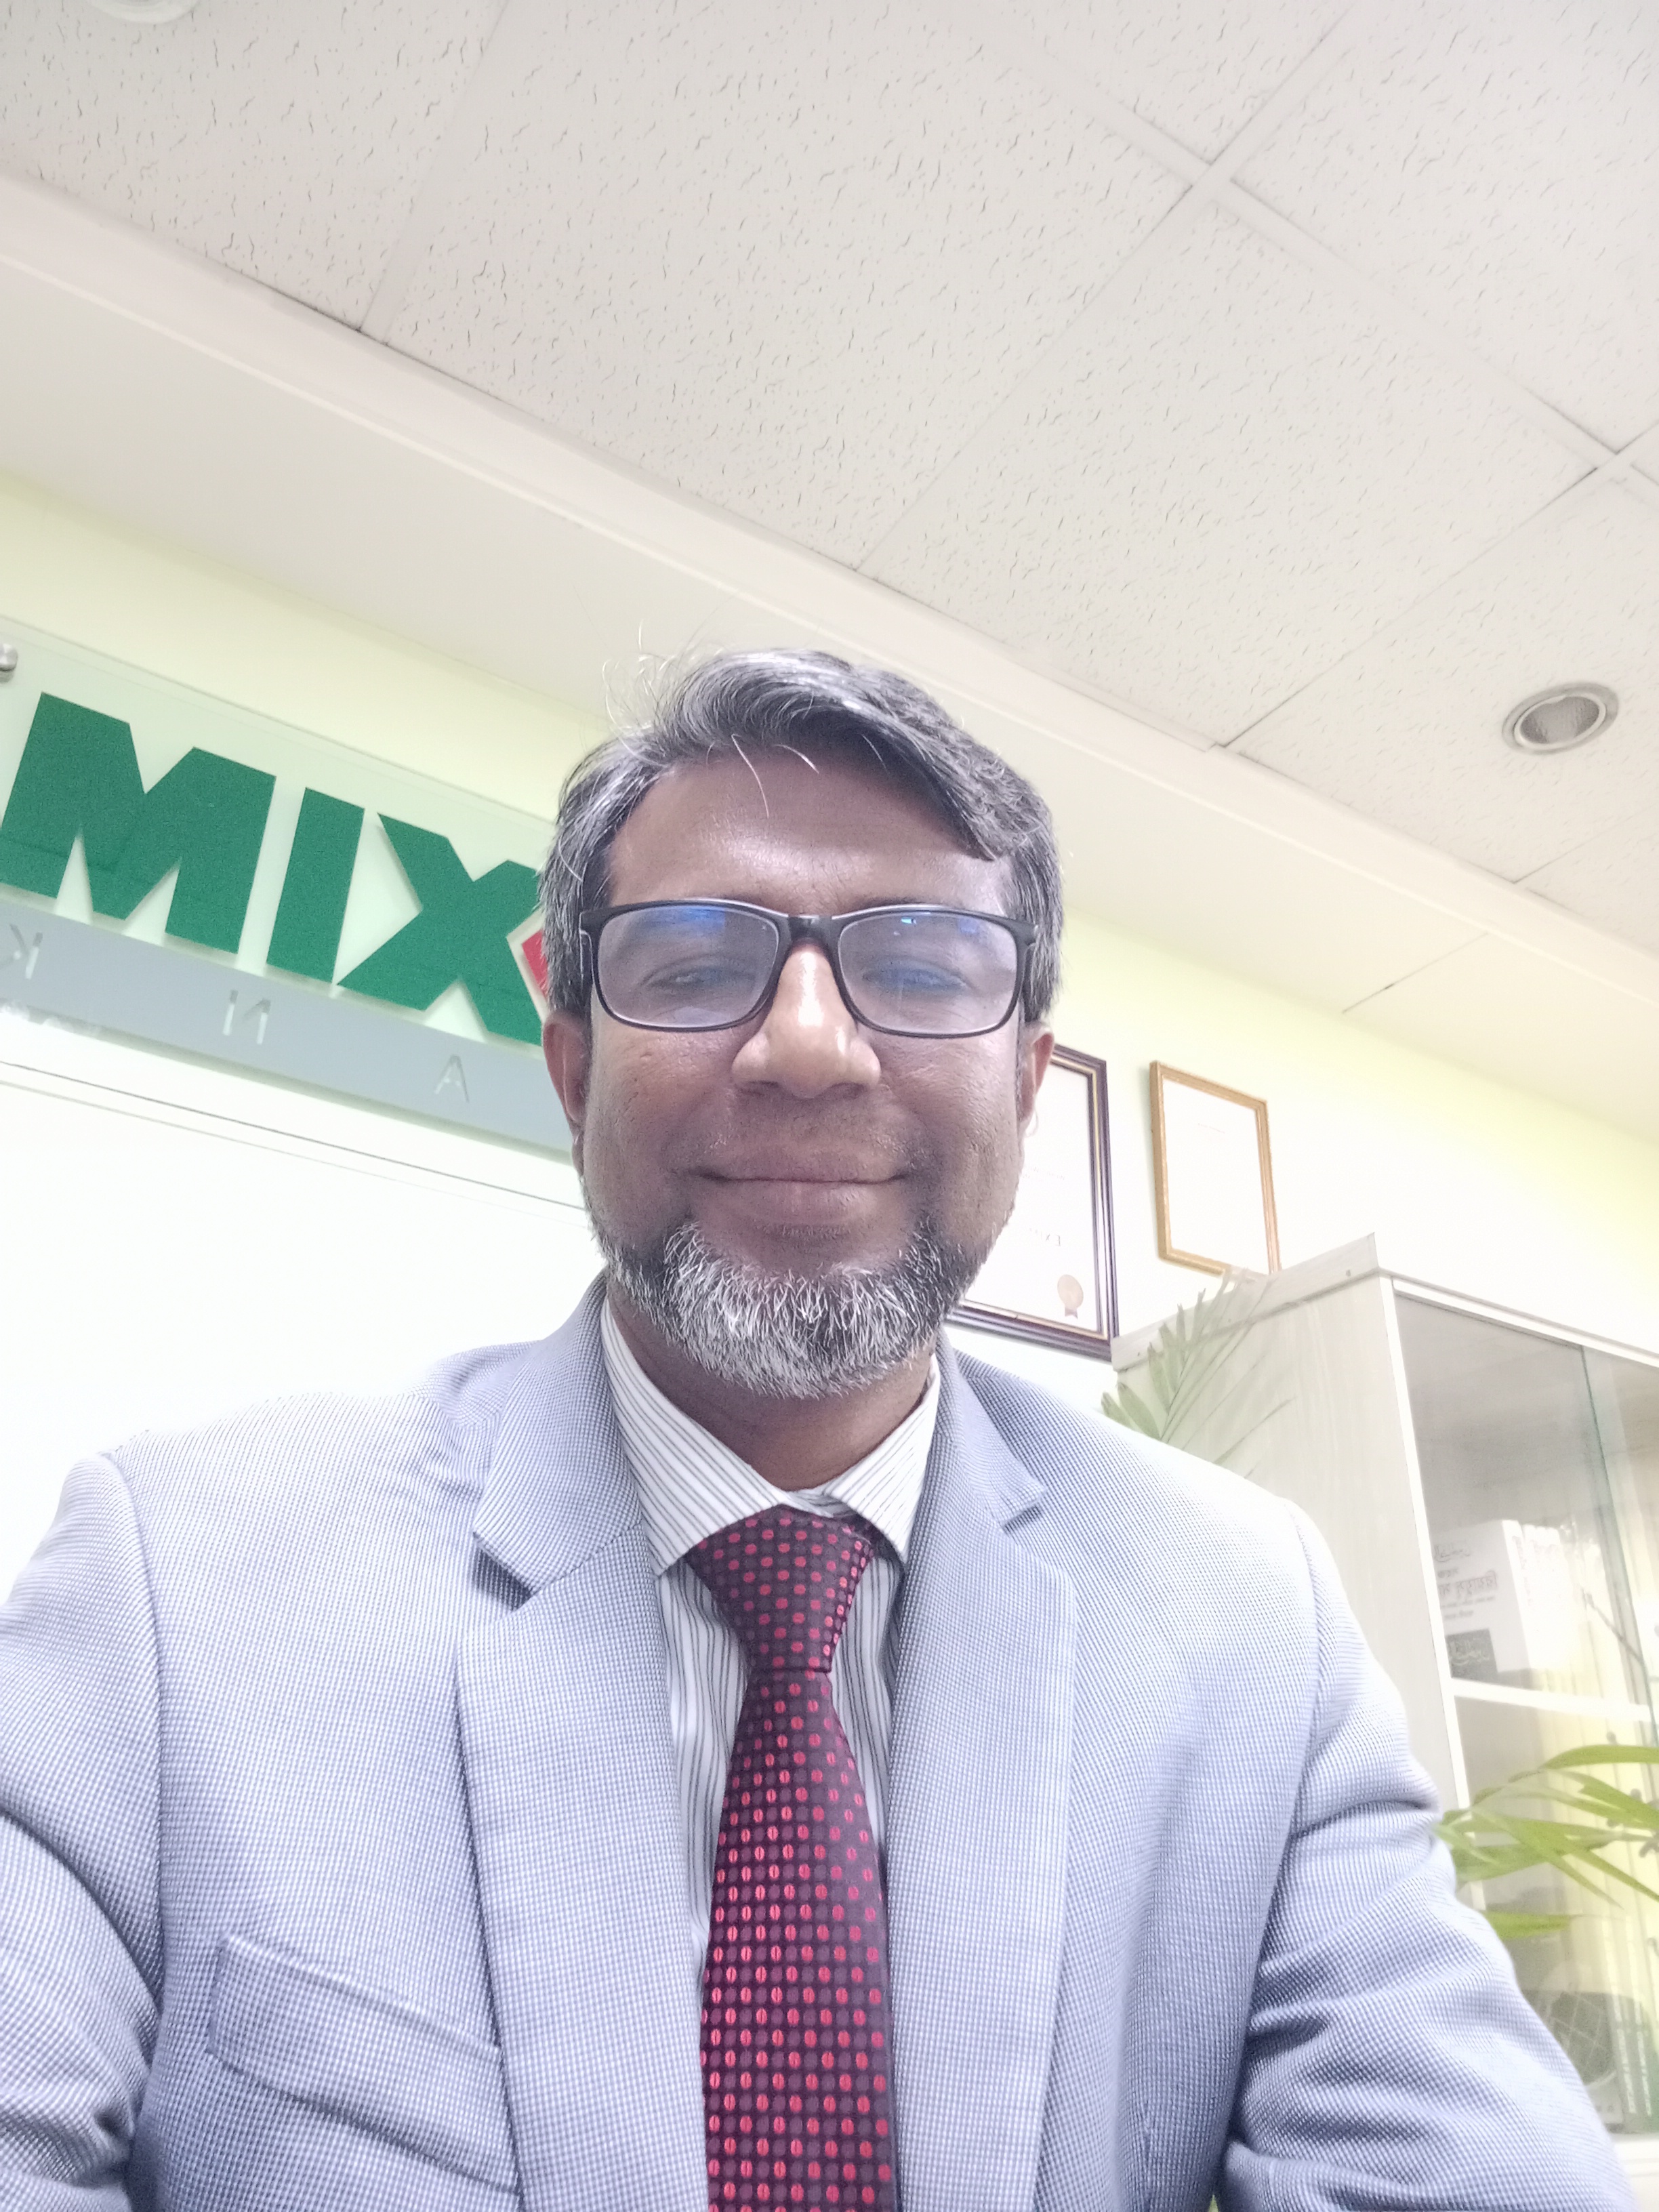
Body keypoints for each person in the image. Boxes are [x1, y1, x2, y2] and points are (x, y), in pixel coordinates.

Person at [0, 649, 1630, 2212]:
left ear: (1026, 1079)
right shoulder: (175, 1589)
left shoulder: (1254, 1628)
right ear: (569, 1054)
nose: (805, 1045)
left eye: (920, 969)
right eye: (694, 961)